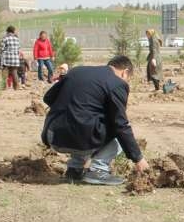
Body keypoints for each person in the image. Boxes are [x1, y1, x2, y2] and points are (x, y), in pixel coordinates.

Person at [41, 55, 149, 185]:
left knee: (84, 119)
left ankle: (74, 169)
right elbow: (120, 125)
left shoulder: (76, 71)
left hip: (53, 135)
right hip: (81, 138)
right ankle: (98, 170)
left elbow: (48, 98)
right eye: (128, 79)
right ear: (125, 72)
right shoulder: (117, 83)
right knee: (117, 127)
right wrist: (138, 159)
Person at [0, 26, 21, 90]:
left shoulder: (5, 38)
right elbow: (18, 48)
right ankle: (16, 87)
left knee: (5, 72)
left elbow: (1, 48)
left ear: (7, 31)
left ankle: (4, 87)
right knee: (14, 72)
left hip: (7, 58)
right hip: (15, 59)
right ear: (13, 31)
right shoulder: (17, 39)